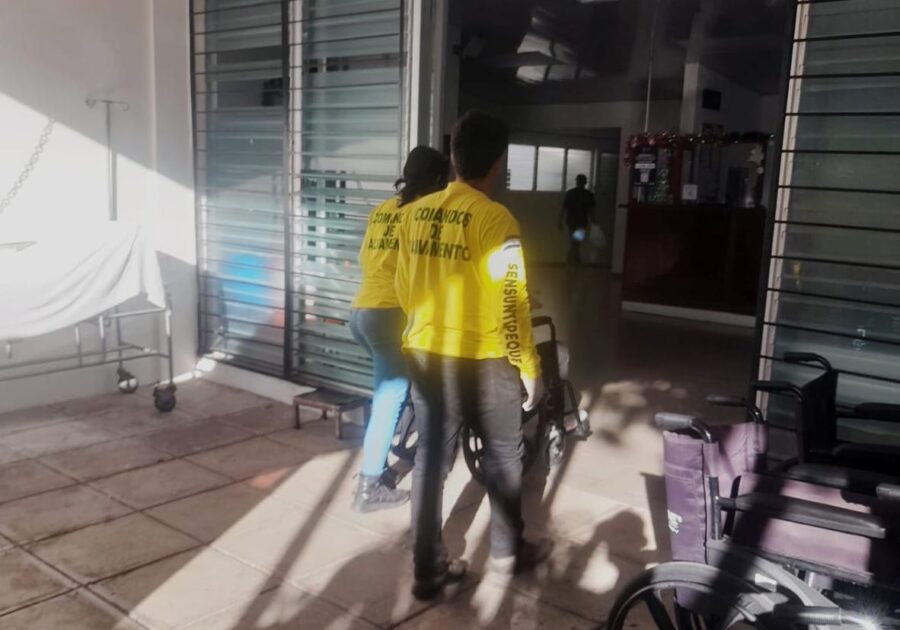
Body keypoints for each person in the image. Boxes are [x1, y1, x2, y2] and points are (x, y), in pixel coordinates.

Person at [396, 110, 552, 600]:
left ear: (453, 156)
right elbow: (512, 303)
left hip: (425, 354)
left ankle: (427, 569)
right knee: (505, 454)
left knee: (430, 461)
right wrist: (530, 368)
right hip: (484, 359)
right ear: (499, 162)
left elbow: (402, 287)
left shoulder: (412, 214)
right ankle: (507, 549)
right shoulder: (496, 219)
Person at [349, 146, 450, 513]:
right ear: (437, 180)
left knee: (395, 391)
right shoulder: (424, 214)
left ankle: (382, 454)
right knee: (388, 401)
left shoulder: (382, 210)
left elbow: (365, 257)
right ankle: (369, 487)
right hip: (390, 314)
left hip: (361, 311)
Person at [558, 173, 596, 264]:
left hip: (573, 221)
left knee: (574, 242)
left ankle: (572, 259)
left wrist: (560, 221)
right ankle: (575, 260)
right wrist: (593, 220)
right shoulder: (588, 195)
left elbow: (564, 208)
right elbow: (590, 210)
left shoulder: (571, 193)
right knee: (576, 242)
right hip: (580, 222)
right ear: (585, 182)